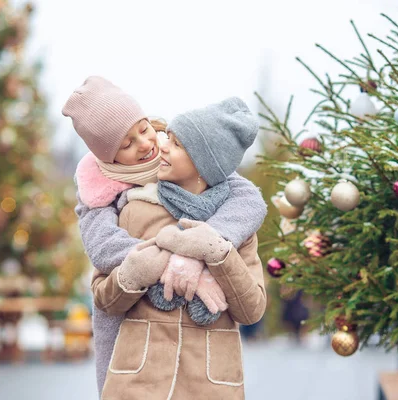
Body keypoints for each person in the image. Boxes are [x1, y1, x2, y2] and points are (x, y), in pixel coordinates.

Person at [62, 77, 267, 395]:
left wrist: (209, 250)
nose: (148, 145)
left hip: (209, 380)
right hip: (140, 376)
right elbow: (103, 257)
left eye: (144, 130)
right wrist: (163, 261)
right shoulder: (115, 200)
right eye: (126, 144)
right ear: (109, 157)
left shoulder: (217, 186)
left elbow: (248, 198)